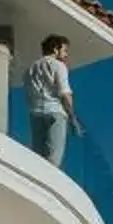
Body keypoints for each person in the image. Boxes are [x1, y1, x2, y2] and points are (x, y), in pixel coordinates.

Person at [25, 34, 76, 165]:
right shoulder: (58, 65)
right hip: (55, 112)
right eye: (64, 50)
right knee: (54, 157)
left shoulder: (30, 69)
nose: (66, 55)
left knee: (38, 158)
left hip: (35, 113)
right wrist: (73, 118)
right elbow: (65, 93)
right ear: (55, 49)